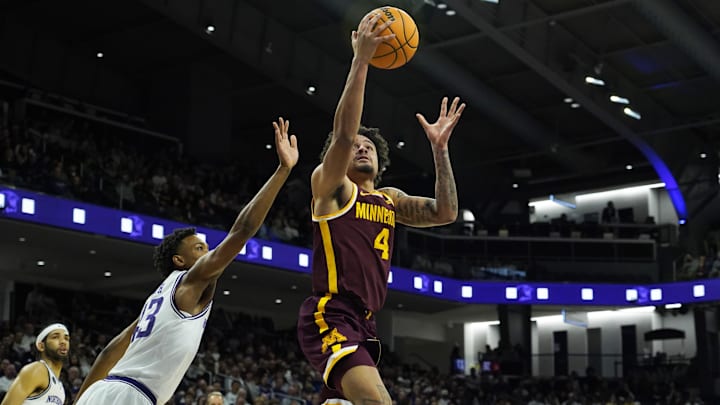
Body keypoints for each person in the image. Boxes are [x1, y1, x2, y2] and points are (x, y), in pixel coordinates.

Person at [296, 11, 464, 405]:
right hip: (332, 313)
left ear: (381, 160)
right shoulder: (332, 189)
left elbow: (446, 212)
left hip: (366, 322)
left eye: (369, 146)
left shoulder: (390, 200)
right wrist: (362, 60)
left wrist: (440, 151)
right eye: (357, 146)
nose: (361, 146)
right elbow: (343, 134)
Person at [75, 118, 299, 405]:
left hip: (105, 390)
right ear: (180, 260)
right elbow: (242, 231)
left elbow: (109, 352)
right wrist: (283, 170)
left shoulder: (155, 302)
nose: (207, 253)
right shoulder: (190, 280)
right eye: (199, 248)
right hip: (132, 395)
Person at [1, 323, 69, 405]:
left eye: (66, 338)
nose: (63, 342)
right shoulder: (37, 369)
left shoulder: (60, 388)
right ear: (41, 346)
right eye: (55, 337)